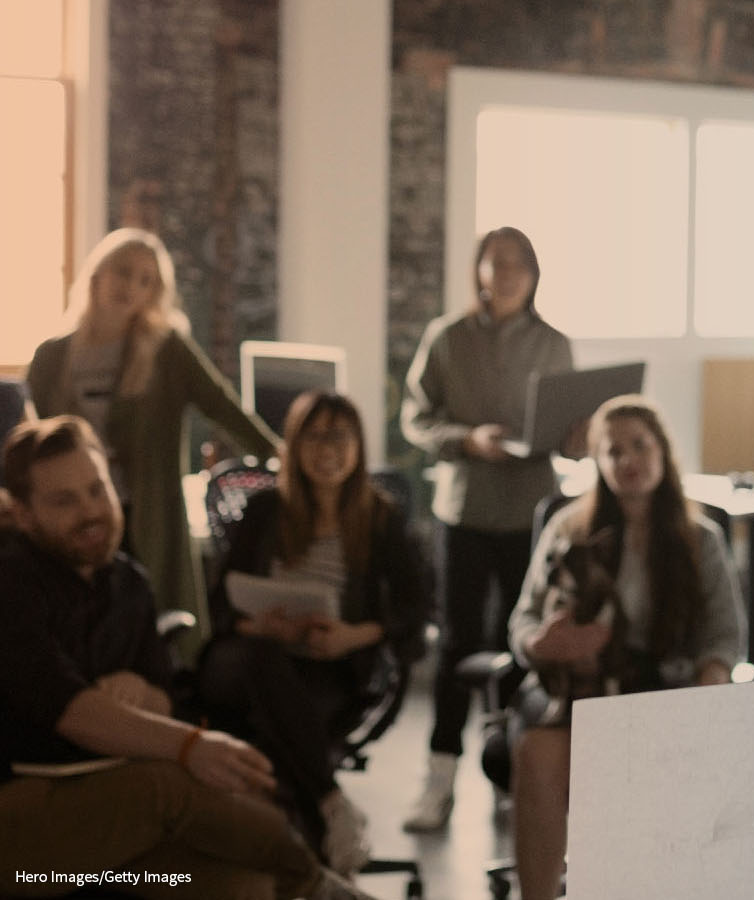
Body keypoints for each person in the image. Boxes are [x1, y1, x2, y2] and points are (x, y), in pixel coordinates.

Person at [0, 415, 374, 900]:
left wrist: (143, 698)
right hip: (22, 831)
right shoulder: (12, 582)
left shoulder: (128, 582)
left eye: (97, 490)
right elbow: (68, 709)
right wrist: (191, 747)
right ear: (24, 514)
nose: (90, 511)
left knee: (246, 888)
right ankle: (320, 884)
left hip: (104, 832)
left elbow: (166, 697)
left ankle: (304, 880)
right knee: (167, 785)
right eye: (64, 501)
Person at [507, 394, 746, 900]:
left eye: (640, 446)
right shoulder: (566, 528)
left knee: (646, 769)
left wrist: (712, 676)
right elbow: (522, 621)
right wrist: (541, 641)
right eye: (613, 451)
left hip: (662, 692)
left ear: (663, 451)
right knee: (537, 754)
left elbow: (725, 635)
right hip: (575, 690)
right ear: (598, 461)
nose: (628, 460)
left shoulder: (700, 539)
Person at [196, 392, 429, 875]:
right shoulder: (263, 511)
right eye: (315, 436)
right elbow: (218, 600)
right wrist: (260, 625)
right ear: (295, 446)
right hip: (248, 657)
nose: (327, 449)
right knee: (260, 662)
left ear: (359, 446)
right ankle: (330, 805)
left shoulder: (379, 517)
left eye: (340, 436)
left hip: (330, 664)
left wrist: (353, 636)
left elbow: (417, 605)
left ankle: (292, 864)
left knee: (275, 728)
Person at [26, 228, 280, 659]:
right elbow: (28, 441)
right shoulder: (52, 355)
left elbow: (222, 405)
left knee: (144, 625)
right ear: (98, 274)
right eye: (124, 273)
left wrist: (280, 454)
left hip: (141, 513)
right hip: (70, 515)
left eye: (147, 281)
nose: (132, 287)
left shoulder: (167, 351)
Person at [400, 225, 577, 831]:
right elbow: (416, 420)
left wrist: (574, 437)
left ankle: (510, 771)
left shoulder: (554, 343)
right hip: (465, 511)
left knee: (523, 640)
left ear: (532, 276)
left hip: (532, 513)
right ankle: (439, 779)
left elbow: (566, 426)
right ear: (476, 270)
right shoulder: (445, 339)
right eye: (492, 263)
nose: (502, 275)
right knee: (457, 644)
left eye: (515, 265)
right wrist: (467, 440)